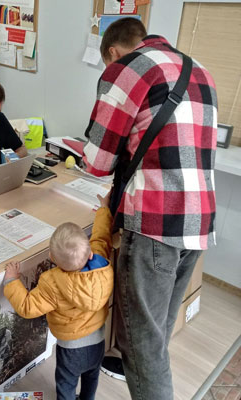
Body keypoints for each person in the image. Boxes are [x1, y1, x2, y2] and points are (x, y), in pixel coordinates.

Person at [82, 17, 217, 400]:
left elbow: (97, 161)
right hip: (199, 218)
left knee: (140, 341)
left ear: (111, 52)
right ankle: (140, 371)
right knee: (157, 327)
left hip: (156, 220)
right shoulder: (199, 69)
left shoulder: (125, 69)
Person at [3, 193, 114, 400]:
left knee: (66, 383)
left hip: (71, 348)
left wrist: (12, 281)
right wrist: (103, 210)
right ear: (90, 254)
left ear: (52, 258)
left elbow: (27, 307)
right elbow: (101, 236)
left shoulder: (52, 282)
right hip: (98, 340)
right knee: (92, 376)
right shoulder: (101, 261)